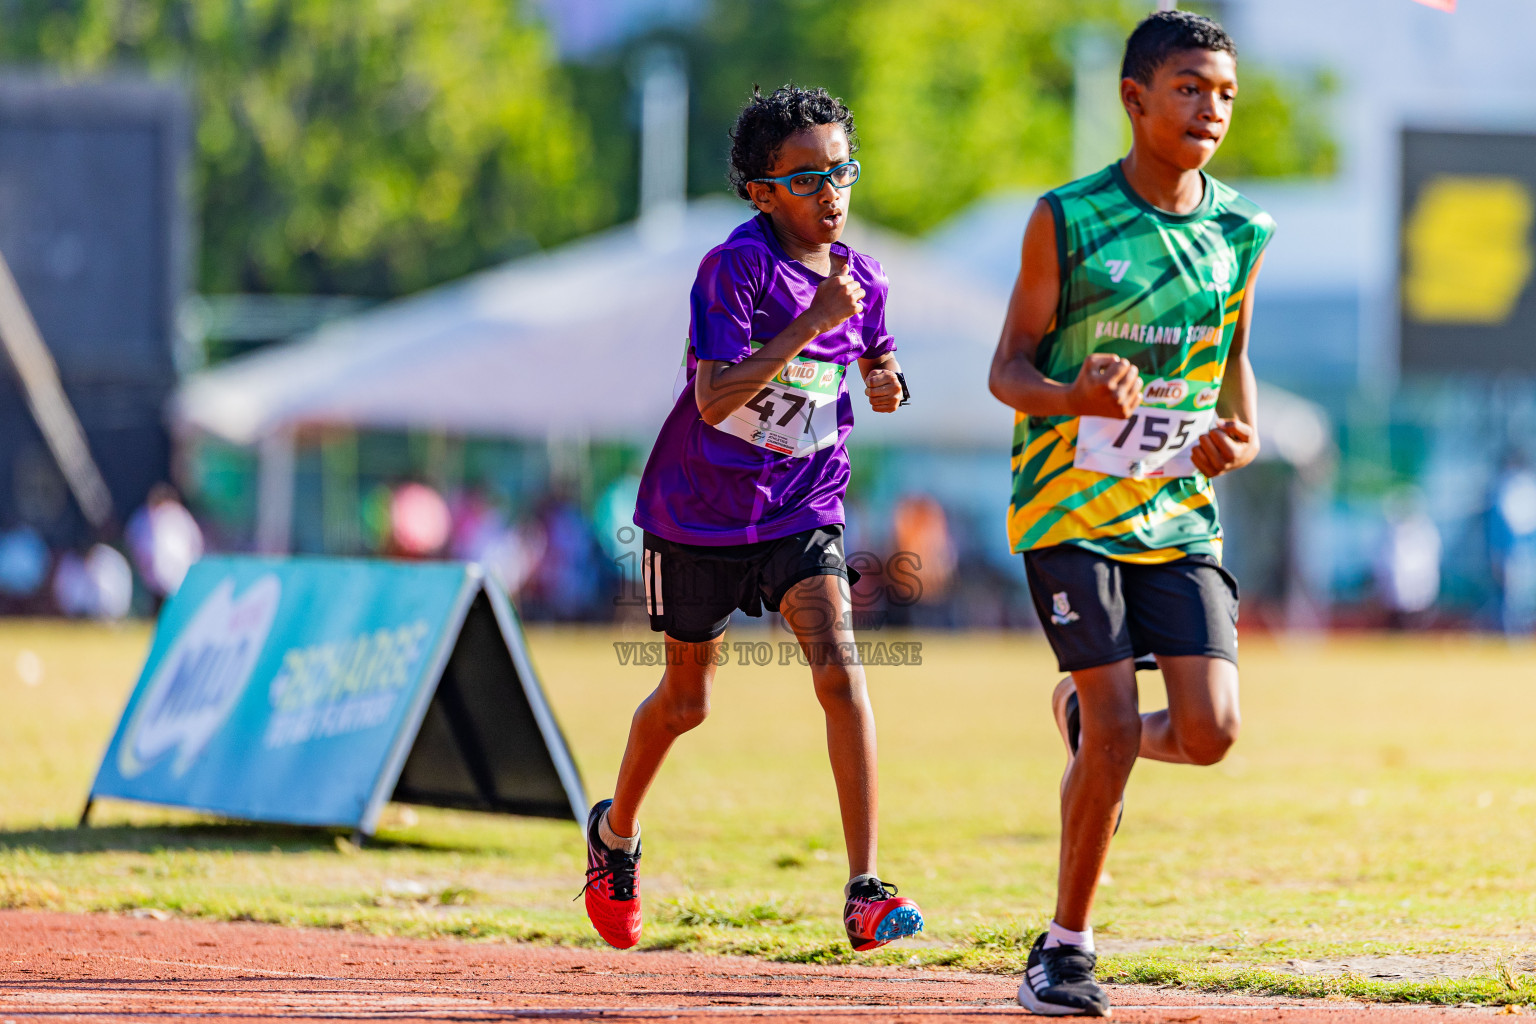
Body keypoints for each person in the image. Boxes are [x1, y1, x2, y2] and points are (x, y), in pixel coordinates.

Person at [580, 84, 923, 954]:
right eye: (807, 178)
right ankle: (615, 834)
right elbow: (713, 396)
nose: (831, 191)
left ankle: (865, 889)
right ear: (761, 192)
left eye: (842, 169)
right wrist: (812, 324)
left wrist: (885, 379)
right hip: (698, 514)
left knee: (841, 671)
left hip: (802, 507)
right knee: (687, 702)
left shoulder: (863, 280)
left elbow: (877, 359)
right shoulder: (734, 270)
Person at [987, 11, 1274, 1016]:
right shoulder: (1066, 219)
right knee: (1112, 733)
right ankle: (1065, 949)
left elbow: (1233, 367)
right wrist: (1075, 396)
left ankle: (1078, 715)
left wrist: (1237, 434)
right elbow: (1007, 369)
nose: (1212, 109)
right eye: (1192, 87)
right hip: (1068, 509)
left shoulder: (1243, 230)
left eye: (1227, 93)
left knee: (1212, 732)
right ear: (1135, 97)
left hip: (1178, 513)